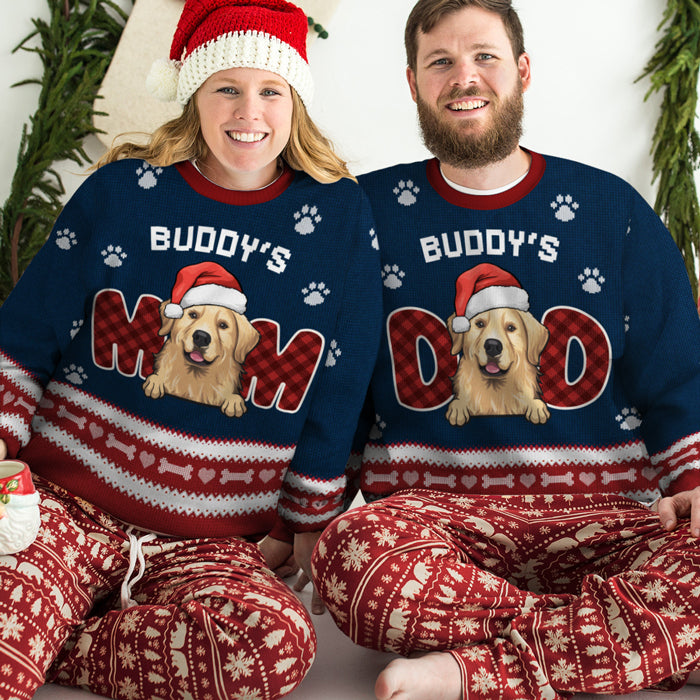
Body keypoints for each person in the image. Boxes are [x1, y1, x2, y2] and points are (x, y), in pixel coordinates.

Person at [311, 1, 700, 699]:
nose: (466, 77)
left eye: (485, 56)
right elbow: (334, 388)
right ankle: (621, 641)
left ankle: (472, 671)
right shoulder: (362, 216)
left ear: (521, 70)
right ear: (412, 83)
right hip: (437, 533)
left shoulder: (611, 211)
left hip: (608, 527)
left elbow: (676, 373)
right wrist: (300, 519)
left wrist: (693, 483)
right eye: (441, 62)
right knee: (352, 554)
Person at [0, 0, 381, 698]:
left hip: (209, 542)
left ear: (295, 100)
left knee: (277, 645)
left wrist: (306, 519)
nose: (250, 111)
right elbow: (27, 334)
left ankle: (59, 637)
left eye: (271, 91)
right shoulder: (123, 192)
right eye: (226, 88)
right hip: (65, 505)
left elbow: (340, 382)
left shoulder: (339, 217)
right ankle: (36, 620)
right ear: (193, 95)